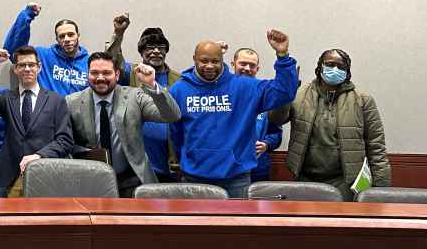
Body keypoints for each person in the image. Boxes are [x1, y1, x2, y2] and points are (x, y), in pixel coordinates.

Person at [169, 31, 298, 199]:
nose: (209, 66)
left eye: (215, 61)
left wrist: (283, 56)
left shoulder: (245, 87)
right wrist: (188, 158)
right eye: (204, 61)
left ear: (223, 61)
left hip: (236, 180)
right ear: (194, 59)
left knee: (237, 225)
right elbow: (175, 132)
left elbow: (285, 92)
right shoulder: (179, 90)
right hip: (194, 178)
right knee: (196, 226)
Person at [271, 49, 391, 201]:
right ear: (320, 66)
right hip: (304, 178)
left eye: (341, 66)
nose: (335, 69)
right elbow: (275, 119)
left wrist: (381, 188)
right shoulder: (299, 93)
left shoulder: (362, 100)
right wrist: (287, 90)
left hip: (345, 181)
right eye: (330, 64)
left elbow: (376, 145)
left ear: (347, 71)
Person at [65, 52, 181, 197]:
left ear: (117, 75)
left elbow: (172, 115)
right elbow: (65, 144)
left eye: (106, 73)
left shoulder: (135, 97)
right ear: (88, 74)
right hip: (90, 182)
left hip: (132, 180)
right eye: (95, 73)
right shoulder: (71, 102)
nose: (100, 77)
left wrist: (151, 84)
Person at [0, 46, 74, 197]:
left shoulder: (56, 100)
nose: (27, 69)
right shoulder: (7, 98)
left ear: (39, 68)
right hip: (7, 177)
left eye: (31, 64)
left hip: (44, 176)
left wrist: (39, 155)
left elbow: (65, 140)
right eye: (22, 65)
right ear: (15, 69)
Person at [106, 14, 182, 181]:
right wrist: (118, 34)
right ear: (141, 51)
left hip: (170, 161)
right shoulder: (131, 73)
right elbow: (111, 60)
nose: (156, 51)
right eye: (150, 47)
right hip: (137, 160)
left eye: (161, 47)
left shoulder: (179, 80)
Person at [2, 3, 88, 95]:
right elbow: (13, 51)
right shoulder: (43, 56)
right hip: (46, 108)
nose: (66, 39)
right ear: (57, 40)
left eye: (71, 35)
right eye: (62, 36)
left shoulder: (89, 62)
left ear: (78, 36)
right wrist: (26, 15)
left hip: (76, 109)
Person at [230, 47, 283, 183]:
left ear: (257, 69)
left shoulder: (266, 95)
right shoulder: (222, 94)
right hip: (228, 168)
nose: (247, 68)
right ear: (233, 64)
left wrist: (266, 144)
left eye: (252, 65)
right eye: (243, 64)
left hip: (258, 169)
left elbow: (276, 133)